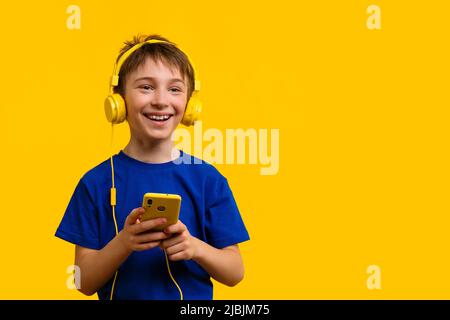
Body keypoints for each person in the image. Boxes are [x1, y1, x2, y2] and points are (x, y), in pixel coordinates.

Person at [55, 34, 250, 300]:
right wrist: (124, 243)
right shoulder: (96, 182)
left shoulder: (208, 180)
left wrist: (194, 247)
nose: (161, 100)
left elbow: (235, 272)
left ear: (191, 105)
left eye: (174, 89)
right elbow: (83, 282)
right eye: (146, 87)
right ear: (119, 101)